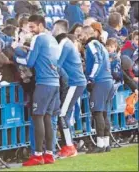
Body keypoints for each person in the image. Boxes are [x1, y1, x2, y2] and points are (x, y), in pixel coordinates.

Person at [14, 14, 61, 166]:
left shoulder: (39, 38)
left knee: (37, 116)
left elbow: (29, 62)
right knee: (47, 117)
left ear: (40, 25)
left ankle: (37, 155)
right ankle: (49, 153)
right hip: (55, 82)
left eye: (33, 27)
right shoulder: (52, 39)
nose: (31, 30)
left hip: (44, 83)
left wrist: (15, 55)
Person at [53, 20, 87, 158]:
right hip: (75, 82)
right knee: (64, 114)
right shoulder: (66, 43)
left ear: (59, 29)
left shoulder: (64, 43)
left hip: (74, 82)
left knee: (62, 114)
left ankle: (70, 147)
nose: (52, 31)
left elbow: (56, 63)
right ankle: (68, 145)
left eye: (53, 28)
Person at [80, 26, 114, 153]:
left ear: (88, 34)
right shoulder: (100, 45)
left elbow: (97, 61)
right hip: (107, 80)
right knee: (104, 112)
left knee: (97, 112)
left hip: (100, 81)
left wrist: (91, 78)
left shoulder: (92, 44)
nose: (79, 38)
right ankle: (106, 143)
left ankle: (100, 145)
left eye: (81, 35)